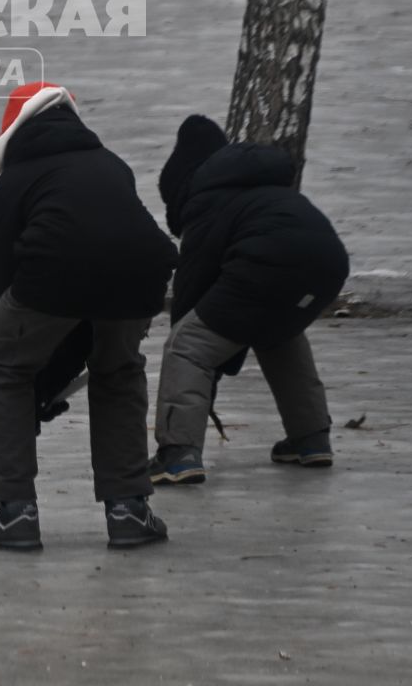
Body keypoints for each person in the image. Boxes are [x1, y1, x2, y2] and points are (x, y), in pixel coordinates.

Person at [0, 82, 177, 552]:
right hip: (143, 273)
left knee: (2, 371)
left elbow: (10, 290)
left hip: (57, 269)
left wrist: (33, 382)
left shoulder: (11, 185)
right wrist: (47, 377)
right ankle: (130, 509)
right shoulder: (111, 165)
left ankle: (12, 511)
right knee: (118, 372)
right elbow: (93, 285)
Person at [148, 115, 349, 486]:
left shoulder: (207, 202)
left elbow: (192, 298)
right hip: (330, 264)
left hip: (270, 263)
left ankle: (177, 454)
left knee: (188, 344)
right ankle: (311, 439)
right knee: (277, 333)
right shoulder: (262, 190)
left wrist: (206, 370)